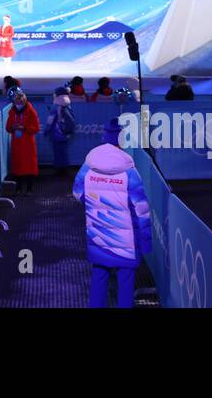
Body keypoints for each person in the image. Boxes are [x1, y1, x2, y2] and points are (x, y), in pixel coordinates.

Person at [72, 118, 150, 308]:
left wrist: (94, 204)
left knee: (99, 277)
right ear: (121, 140)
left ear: (104, 137)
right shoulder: (130, 172)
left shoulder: (88, 166)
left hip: (98, 235)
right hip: (126, 241)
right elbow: (142, 211)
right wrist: (146, 244)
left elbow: (77, 193)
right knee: (125, 283)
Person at [6, 91, 40, 193]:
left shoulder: (31, 112)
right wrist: (13, 127)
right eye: (17, 103)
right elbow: (7, 127)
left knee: (29, 167)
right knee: (17, 166)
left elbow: (36, 128)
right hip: (16, 144)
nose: (18, 105)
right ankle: (18, 188)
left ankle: (30, 188)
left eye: (20, 103)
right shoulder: (12, 112)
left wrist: (24, 128)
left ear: (24, 102)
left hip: (28, 144)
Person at [44, 88, 77, 175]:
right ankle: (65, 169)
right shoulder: (67, 105)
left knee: (57, 152)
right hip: (65, 133)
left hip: (56, 133)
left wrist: (46, 131)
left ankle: (59, 169)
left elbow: (50, 121)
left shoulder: (56, 106)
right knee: (64, 151)